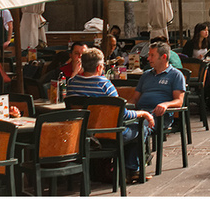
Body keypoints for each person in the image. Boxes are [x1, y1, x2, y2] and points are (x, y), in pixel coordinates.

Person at [65, 48, 152, 181]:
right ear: (100, 67)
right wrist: (142, 113)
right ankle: (133, 169)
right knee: (141, 128)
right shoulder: (105, 86)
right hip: (107, 134)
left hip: (82, 134)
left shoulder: (72, 84)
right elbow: (122, 115)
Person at [135, 42, 187, 119]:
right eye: (149, 55)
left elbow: (179, 101)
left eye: (152, 55)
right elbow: (135, 99)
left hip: (159, 116)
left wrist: (166, 105)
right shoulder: (146, 75)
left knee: (135, 128)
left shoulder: (176, 75)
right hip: (141, 113)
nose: (148, 58)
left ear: (163, 57)